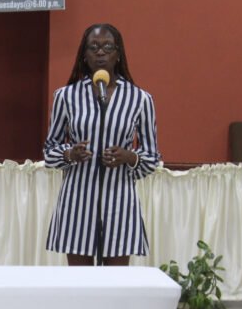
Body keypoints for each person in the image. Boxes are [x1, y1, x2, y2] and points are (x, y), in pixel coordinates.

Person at [43, 23, 161, 266]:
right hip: (77, 202)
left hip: (120, 203)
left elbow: (151, 157)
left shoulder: (140, 99)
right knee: (81, 287)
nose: (100, 53)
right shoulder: (65, 96)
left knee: (115, 287)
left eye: (108, 47)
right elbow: (49, 152)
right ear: (84, 56)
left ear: (118, 54)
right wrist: (69, 154)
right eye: (93, 47)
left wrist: (129, 157)